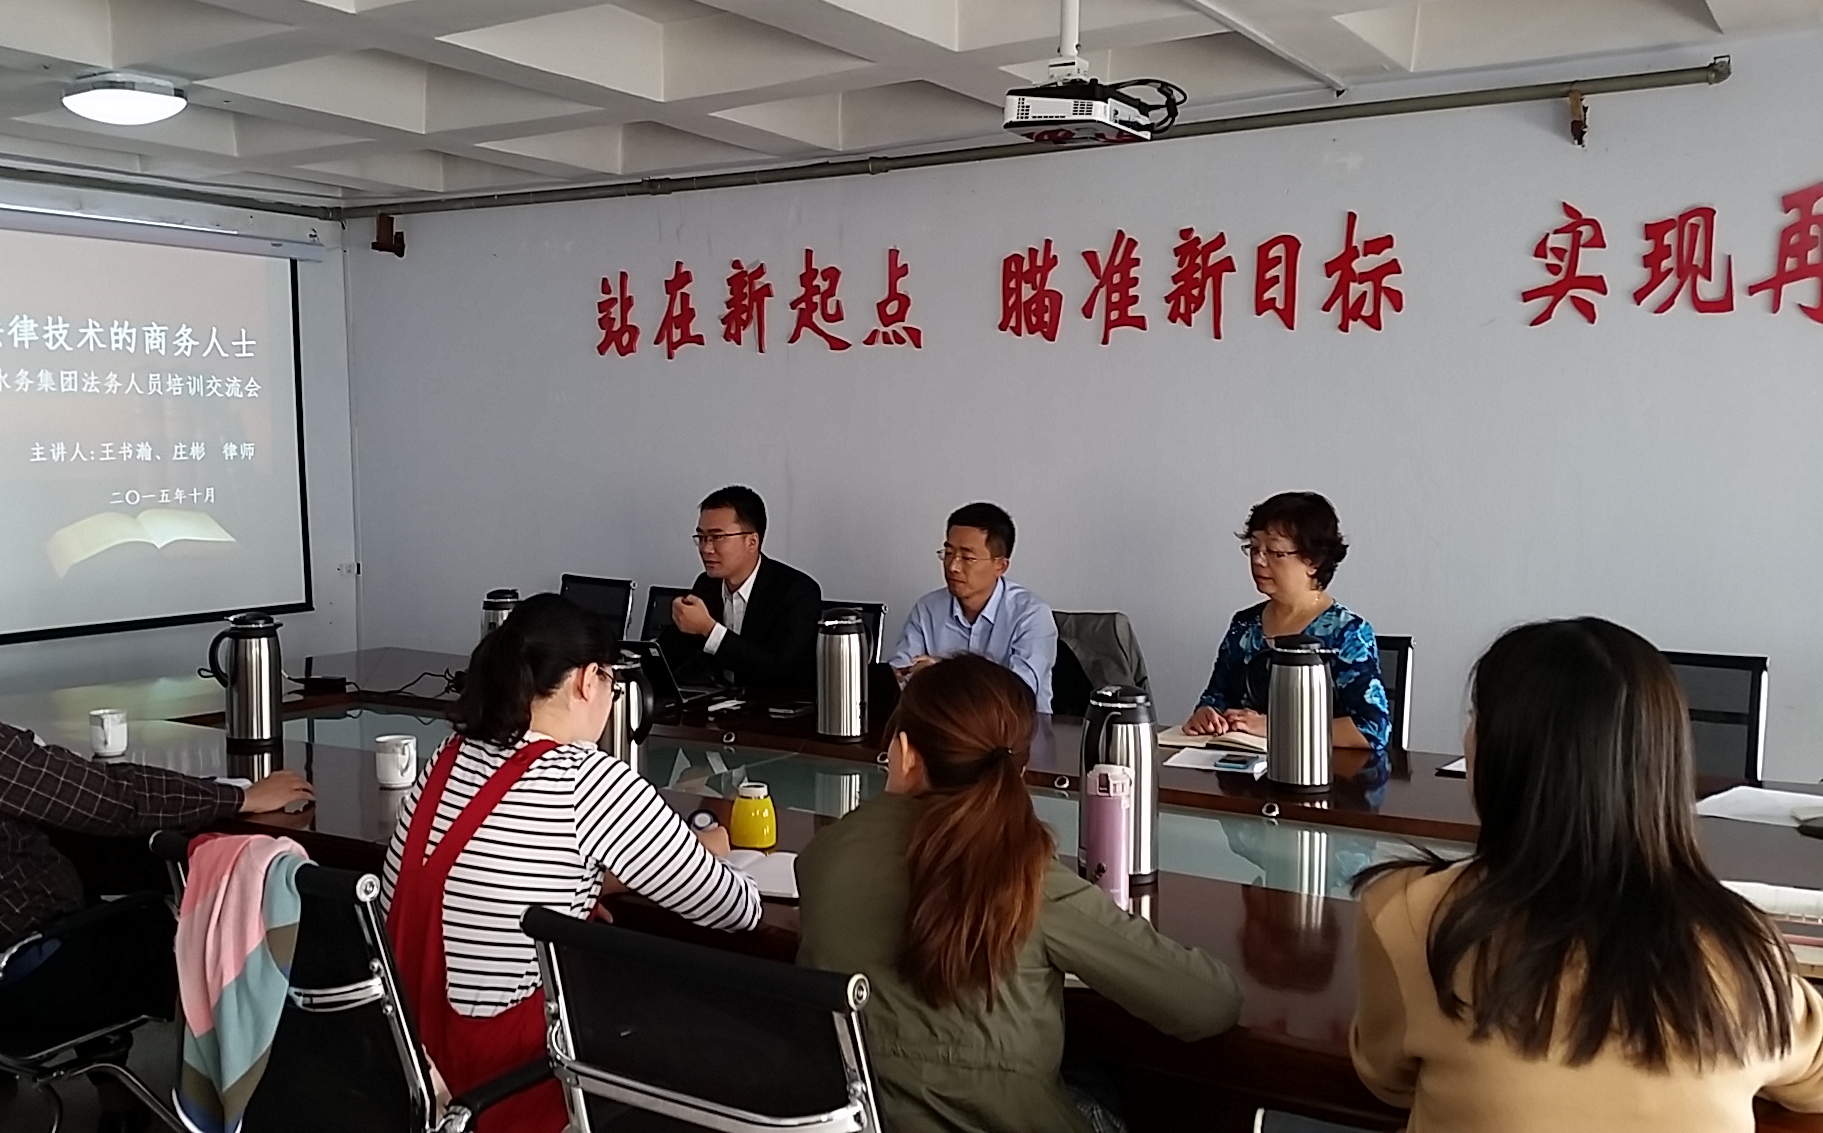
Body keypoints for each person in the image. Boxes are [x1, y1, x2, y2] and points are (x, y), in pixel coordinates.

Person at [0, 550, 312, 1126]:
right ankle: (165, 1097)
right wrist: (239, 796)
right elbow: (111, 799)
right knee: (151, 917)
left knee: (50, 889)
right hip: (15, 981)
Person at [1351, 618, 1823, 1131]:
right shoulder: (1743, 947)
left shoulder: (1411, 916)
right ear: (1664, 764)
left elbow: (1385, 1077)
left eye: (1474, 718)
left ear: (1500, 754)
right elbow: (1814, 1078)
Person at [797, 655, 1242, 1133]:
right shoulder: (1026, 874)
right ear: (1020, 768)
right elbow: (1208, 1005)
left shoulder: (824, 856)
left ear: (904, 753)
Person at [383, 593, 762, 1132]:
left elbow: (487, 874)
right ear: (588, 680)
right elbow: (735, 910)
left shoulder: (448, 758)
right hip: (508, 1090)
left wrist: (588, 886)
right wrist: (709, 851)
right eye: (612, 682)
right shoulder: (585, 779)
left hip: (407, 1074)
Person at [1185, 491, 1389, 757]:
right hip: (1242, 768)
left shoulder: (1347, 633)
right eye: (1254, 548)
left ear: (1313, 562)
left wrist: (1275, 726)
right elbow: (1217, 697)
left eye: (1275, 552)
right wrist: (1206, 715)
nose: (1258, 560)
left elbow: (1371, 729)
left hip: (1323, 773)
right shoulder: (1244, 625)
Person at [889, 502, 1059, 712]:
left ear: (1000, 566)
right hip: (940, 725)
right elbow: (899, 677)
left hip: (1013, 728)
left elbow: (1016, 694)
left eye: (967, 557)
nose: (953, 566)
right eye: (948, 553)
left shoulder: (1031, 615)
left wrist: (941, 673)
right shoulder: (928, 609)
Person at [657, 485, 822, 696]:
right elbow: (671, 656)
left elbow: (775, 669)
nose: (706, 549)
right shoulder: (707, 585)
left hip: (774, 707)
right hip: (717, 703)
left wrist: (709, 630)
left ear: (751, 541)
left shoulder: (797, 592)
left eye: (717, 537)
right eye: (702, 537)